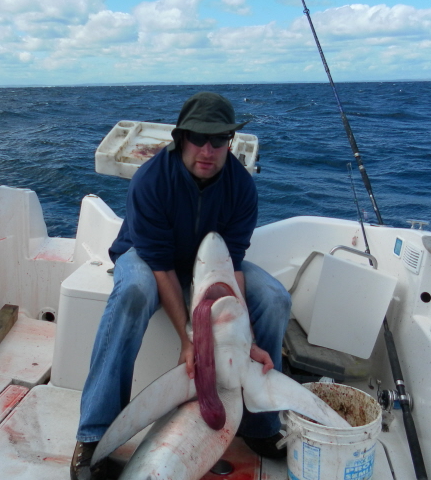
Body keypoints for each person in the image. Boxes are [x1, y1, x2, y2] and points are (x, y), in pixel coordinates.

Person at [70, 92, 292, 480]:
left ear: (229, 142)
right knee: (132, 294)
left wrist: (245, 340)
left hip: (206, 266)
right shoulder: (151, 180)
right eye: (197, 138)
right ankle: (95, 434)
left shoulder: (241, 188)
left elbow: (232, 265)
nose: (207, 149)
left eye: (218, 139)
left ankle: (259, 424)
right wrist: (190, 340)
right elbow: (159, 267)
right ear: (180, 139)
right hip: (149, 258)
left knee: (274, 298)